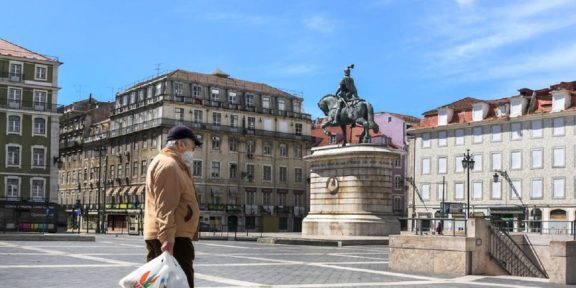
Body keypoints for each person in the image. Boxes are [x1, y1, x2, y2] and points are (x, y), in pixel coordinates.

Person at [144, 125, 202, 288]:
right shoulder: (169, 165)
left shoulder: (175, 165)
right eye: (192, 146)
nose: (193, 151)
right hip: (173, 237)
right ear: (181, 145)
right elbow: (165, 206)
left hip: (174, 235)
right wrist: (168, 241)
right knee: (181, 284)